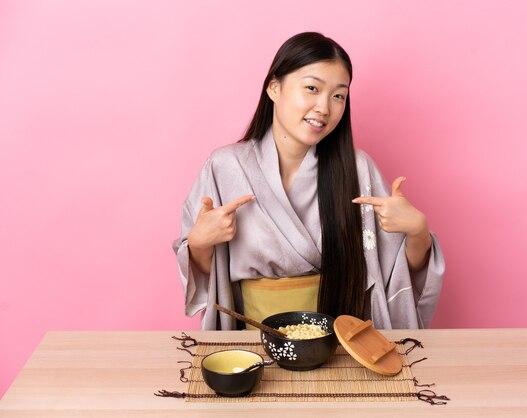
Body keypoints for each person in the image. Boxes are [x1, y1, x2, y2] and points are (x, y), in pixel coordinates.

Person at [172, 32, 444, 330]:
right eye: (312, 88)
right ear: (274, 88)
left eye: (338, 95)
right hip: (252, 339)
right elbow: (204, 275)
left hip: (338, 341)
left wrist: (417, 232)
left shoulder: (357, 169)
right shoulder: (225, 167)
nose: (324, 108)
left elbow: (397, 275)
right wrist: (199, 243)